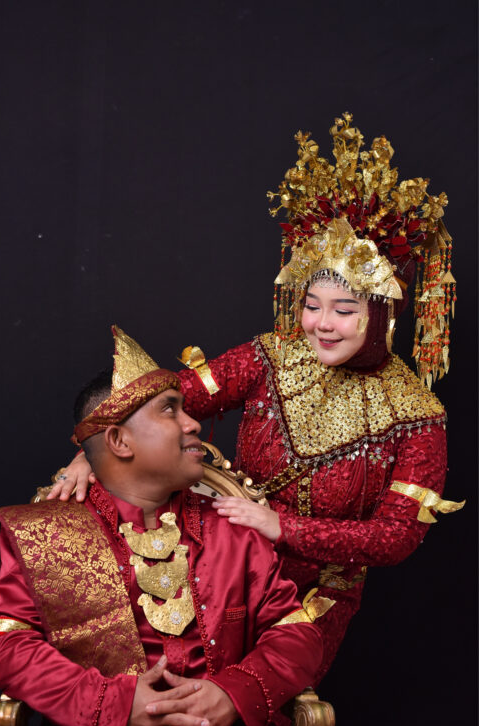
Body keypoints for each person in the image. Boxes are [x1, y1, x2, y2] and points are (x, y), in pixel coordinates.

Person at [50, 115, 464, 686]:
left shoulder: (418, 416)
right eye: (310, 305)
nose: (320, 324)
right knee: (152, 668)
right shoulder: (270, 355)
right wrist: (93, 450)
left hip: (313, 596)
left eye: (344, 311)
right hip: (218, 561)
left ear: (382, 315)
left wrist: (280, 526)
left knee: (239, 695)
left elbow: (396, 538)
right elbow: (159, 401)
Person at [0, 326, 327, 726]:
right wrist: (113, 708)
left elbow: (297, 635)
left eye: (187, 409)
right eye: (170, 410)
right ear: (119, 441)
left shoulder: (236, 531)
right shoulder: (49, 535)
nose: (193, 424)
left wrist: (232, 695)